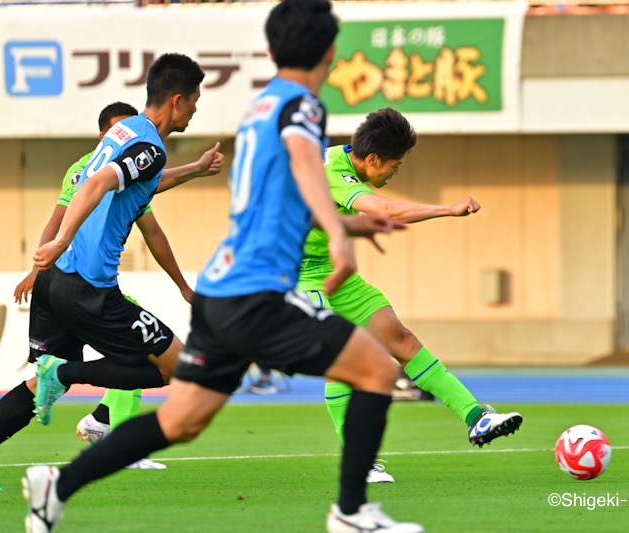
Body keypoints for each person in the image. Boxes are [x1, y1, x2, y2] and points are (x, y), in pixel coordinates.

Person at [21, 1, 423, 532]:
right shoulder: (303, 107)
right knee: (376, 370)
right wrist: (341, 236)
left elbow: (273, 205)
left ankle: (58, 484)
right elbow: (306, 167)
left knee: (181, 419)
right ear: (329, 53)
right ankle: (351, 512)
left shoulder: (260, 110)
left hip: (221, 288)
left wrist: (343, 227)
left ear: (273, 51)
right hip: (259, 292)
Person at [0, 53, 218, 492]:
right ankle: (69, 378)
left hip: (55, 282)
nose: (198, 108)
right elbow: (97, 184)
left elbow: (135, 180)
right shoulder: (148, 146)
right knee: (175, 369)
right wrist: (64, 239)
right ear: (178, 101)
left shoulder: (123, 134)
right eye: (197, 99)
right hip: (88, 287)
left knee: (38, 383)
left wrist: (197, 170)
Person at [299, 107, 523, 484]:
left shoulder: (342, 157)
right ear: (372, 159)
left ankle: (476, 417)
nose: (393, 173)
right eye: (395, 166)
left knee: (400, 338)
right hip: (291, 274)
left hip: (329, 271)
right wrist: (448, 209)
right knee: (345, 357)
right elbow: (385, 211)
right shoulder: (333, 173)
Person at [12, 101, 223, 471]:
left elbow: (154, 223)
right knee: (155, 360)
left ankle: (102, 422)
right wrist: (41, 261)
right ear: (105, 136)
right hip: (79, 285)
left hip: (91, 286)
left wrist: (196, 168)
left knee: (140, 357)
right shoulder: (84, 172)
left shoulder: (134, 172)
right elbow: (59, 218)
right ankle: (104, 424)